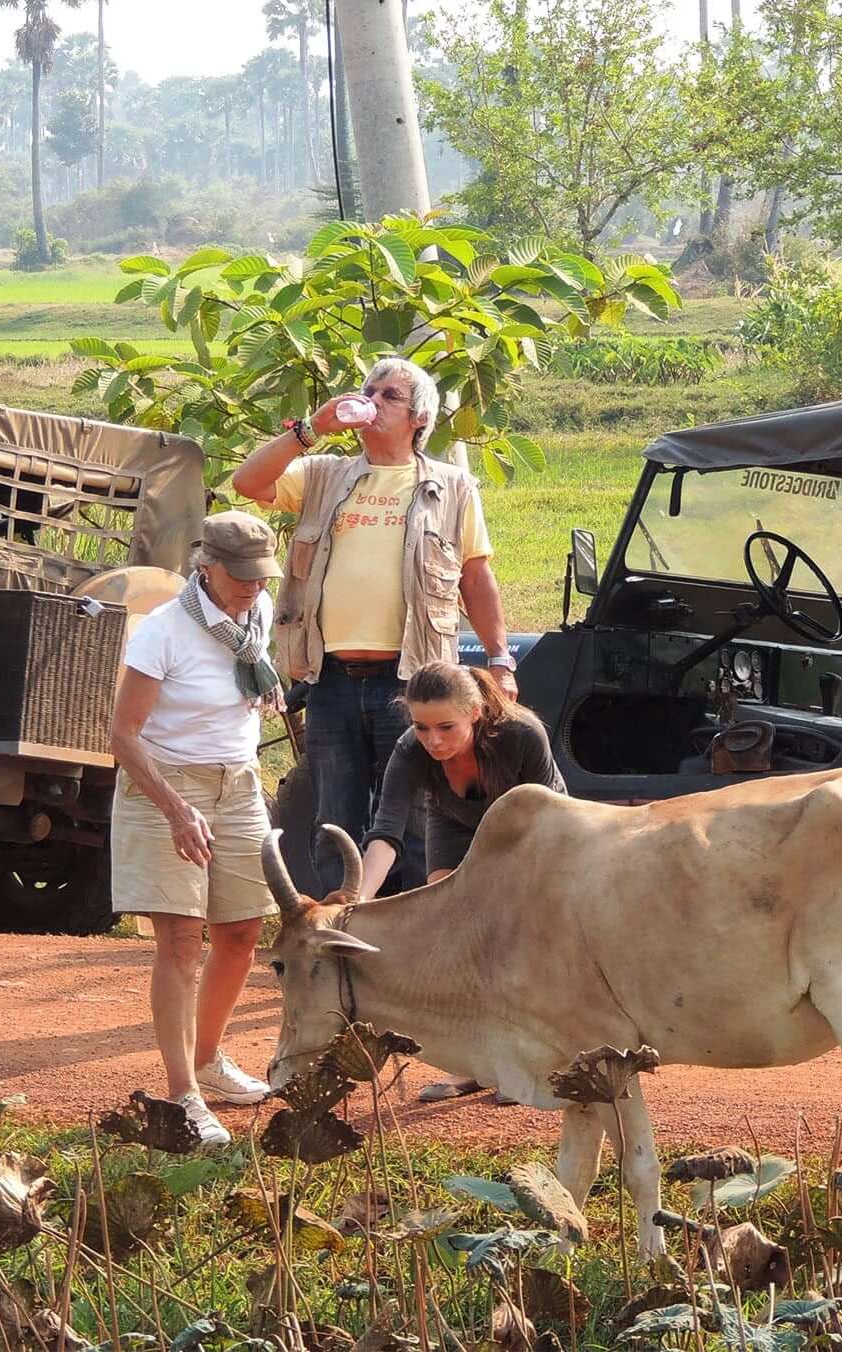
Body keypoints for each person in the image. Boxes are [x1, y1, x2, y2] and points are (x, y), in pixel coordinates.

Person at [230, 355, 517, 897]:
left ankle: (406, 949)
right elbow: (247, 482)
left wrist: (499, 659)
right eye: (369, 390)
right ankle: (343, 940)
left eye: (390, 396)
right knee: (332, 823)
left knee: (414, 823)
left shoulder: (452, 486)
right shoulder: (323, 474)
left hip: (413, 684)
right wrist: (312, 428)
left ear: (419, 418)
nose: (373, 401)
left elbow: (477, 579)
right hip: (330, 679)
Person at [107, 510, 285, 1147]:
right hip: (166, 784)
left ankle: (210, 1060)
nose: (253, 588)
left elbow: (249, 671)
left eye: (261, 578)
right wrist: (176, 811)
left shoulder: (252, 613)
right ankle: (182, 1093)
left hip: (236, 782)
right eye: (241, 578)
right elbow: (123, 735)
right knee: (182, 941)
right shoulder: (164, 631)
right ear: (205, 567)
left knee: (241, 930)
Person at [349, 660, 566, 1102]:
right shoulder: (412, 749)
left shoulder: (522, 735)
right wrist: (358, 900)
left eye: (446, 727)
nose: (433, 740)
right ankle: (478, 1066)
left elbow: (549, 825)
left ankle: (535, 1065)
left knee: (518, 939)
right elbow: (387, 830)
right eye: (422, 727)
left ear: (475, 712)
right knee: (457, 934)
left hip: (537, 832)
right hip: (454, 824)